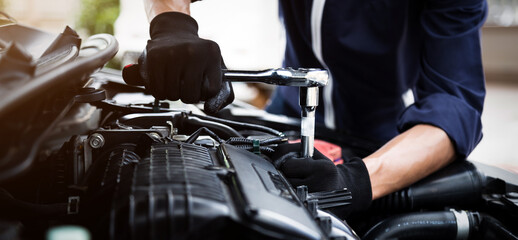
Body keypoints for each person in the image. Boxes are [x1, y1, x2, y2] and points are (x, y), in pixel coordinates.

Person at [123, 0, 487, 217]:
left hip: (382, 147)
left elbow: (455, 102)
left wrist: (357, 182)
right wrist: (173, 25)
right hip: (285, 120)